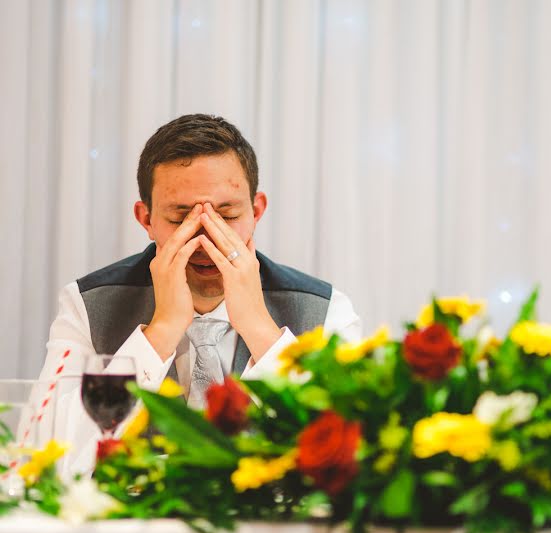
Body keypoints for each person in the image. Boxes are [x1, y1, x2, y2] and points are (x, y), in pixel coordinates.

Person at [19, 114, 362, 477]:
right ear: (146, 218)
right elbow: (41, 458)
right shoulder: (86, 305)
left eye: (226, 216)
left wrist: (263, 333)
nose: (205, 239)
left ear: (257, 210)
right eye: (181, 218)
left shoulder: (327, 311)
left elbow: (349, 461)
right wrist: (160, 333)